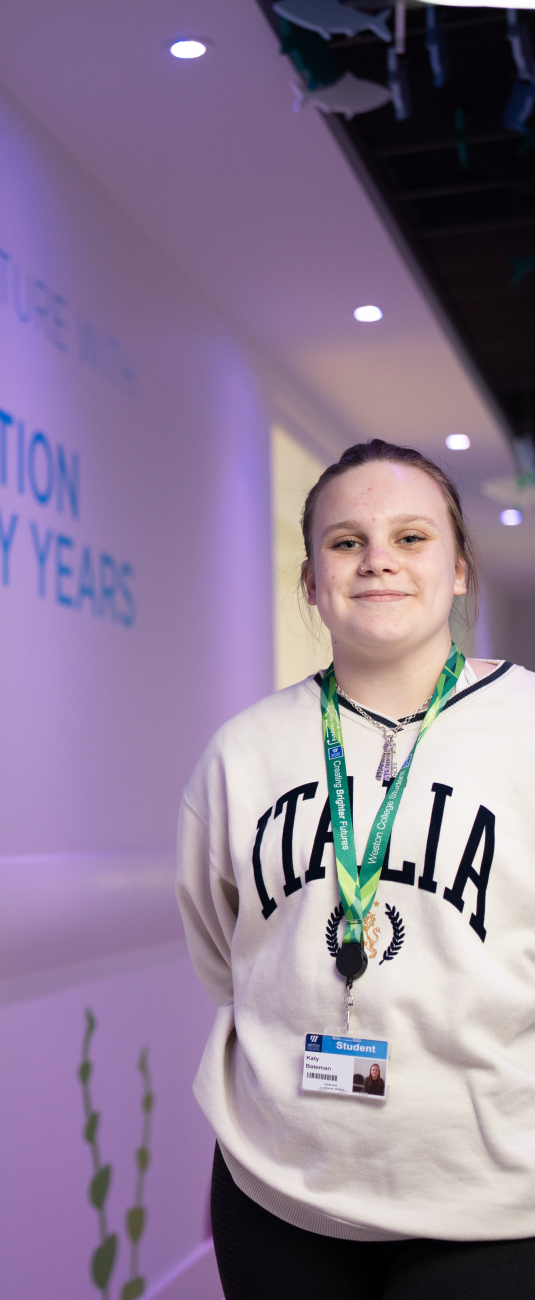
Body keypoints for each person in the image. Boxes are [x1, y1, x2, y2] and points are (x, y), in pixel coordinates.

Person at [176, 440, 535, 1298]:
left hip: (492, 1206)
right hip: (280, 1191)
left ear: (457, 571)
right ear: (310, 581)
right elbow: (224, 951)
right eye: (346, 542)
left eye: (412, 538)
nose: (378, 560)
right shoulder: (242, 751)